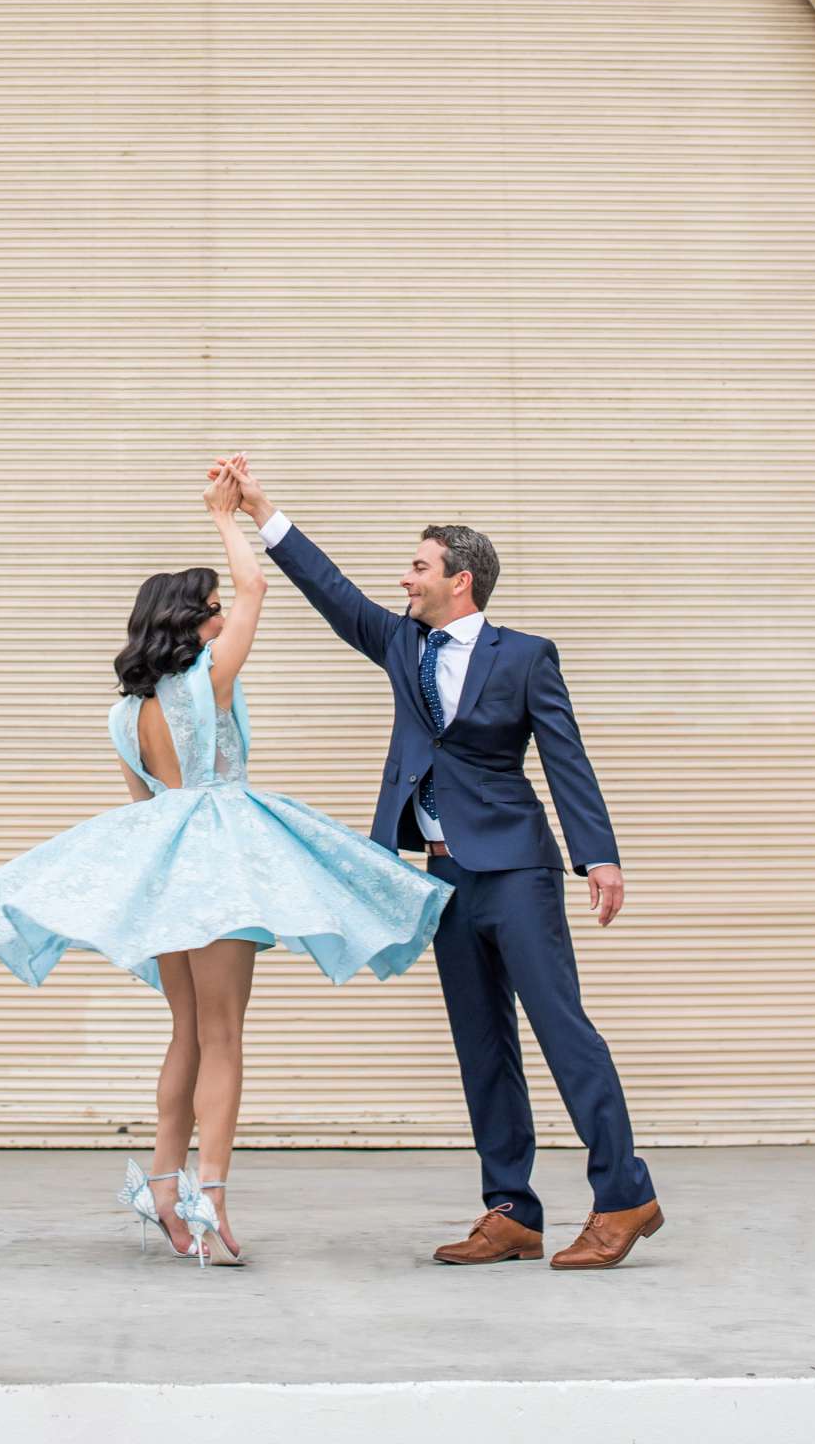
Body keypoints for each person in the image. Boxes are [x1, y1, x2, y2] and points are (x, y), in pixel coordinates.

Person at [0, 463, 446, 1267]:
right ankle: (210, 1196)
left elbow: (146, 809)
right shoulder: (204, 684)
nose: (225, 617)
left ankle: (164, 1183)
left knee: (185, 1032)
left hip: (167, 863)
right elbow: (257, 588)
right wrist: (227, 517)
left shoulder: (123, 713)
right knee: (224, 1033)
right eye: (212, 611)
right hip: (219, 855)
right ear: (193, 621)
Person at [212, 452, 662, 1272]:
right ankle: (511, 1210)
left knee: (563, 1030)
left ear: (461, 581)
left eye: (419, 566)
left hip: (517, 869)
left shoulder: (525, 656)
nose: (405, 578)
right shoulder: (400, 643)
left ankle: (624, 1194)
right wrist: (259, 509)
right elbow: (332, 591)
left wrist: (598, 857)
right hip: (443, 877)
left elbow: (567, 757)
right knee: (480, 1044)